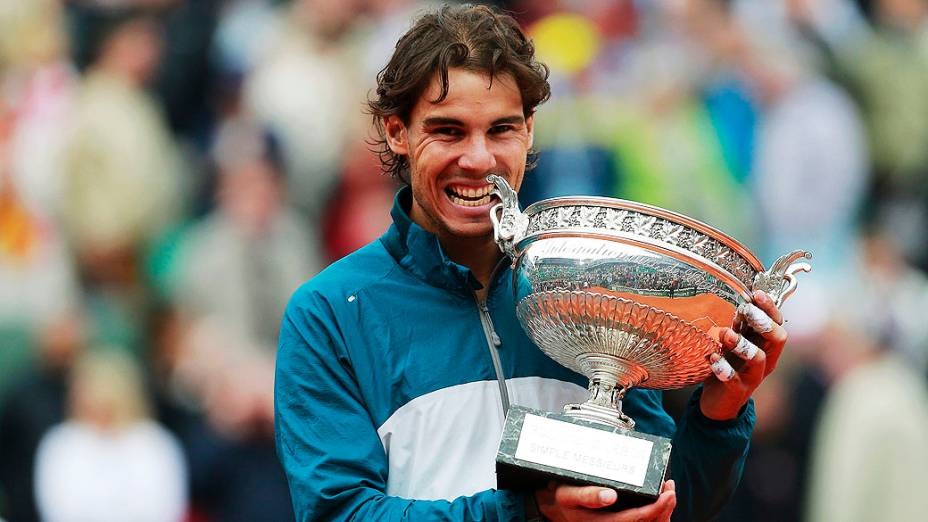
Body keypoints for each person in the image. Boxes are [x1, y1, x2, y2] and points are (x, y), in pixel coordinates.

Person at [275, 5, 788, 521]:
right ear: (396, 133)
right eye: (448, 131)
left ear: (529, 131)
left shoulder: (584, 292)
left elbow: (669, 504)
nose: (478, 160)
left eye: (501, 130)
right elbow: (339, 514)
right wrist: (530, 513)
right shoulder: (330, 313)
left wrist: (719, 413)